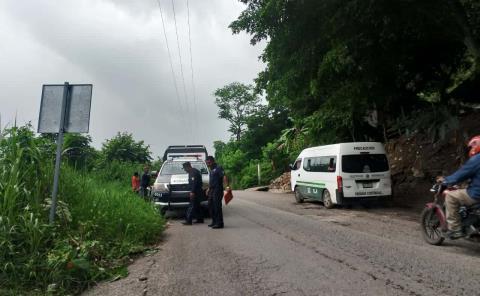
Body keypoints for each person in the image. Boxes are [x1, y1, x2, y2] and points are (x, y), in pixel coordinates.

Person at [437, 135, 480, 239]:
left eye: (473, 146)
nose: (471, 148)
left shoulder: (477, 159)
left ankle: (455, 230)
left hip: (477, 193)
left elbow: (461, 174)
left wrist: (446, 181)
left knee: (451, 197)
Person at [206, 156, 230, 229]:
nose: (208, 164)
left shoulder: (218, 168)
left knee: (217, 207)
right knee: (211, 206)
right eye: (207, 163)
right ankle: (214, 221)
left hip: (218, 190)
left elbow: (224, 177)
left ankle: (219, 223)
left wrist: (227, 187)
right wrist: (208, 189)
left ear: (213, 161)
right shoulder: (211, 170)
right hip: (212, 190)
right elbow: (211, 181)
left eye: (209, 162)